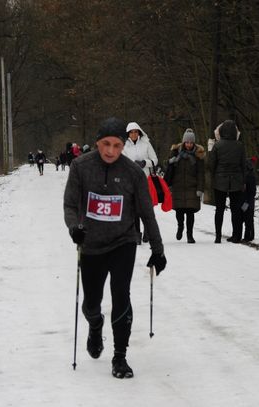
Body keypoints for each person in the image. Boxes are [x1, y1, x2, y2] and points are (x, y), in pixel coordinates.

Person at [63, 117, 167, 379]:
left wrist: (158, 250)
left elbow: (147, 213)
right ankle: (95, 325)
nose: (111, 151)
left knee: (121, 295)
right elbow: (70, 205)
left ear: (123, 146)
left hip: (124, 241)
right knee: (91, 303)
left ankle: (120, 356)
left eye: (117, 145)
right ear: (97, 142)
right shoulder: (80, 167)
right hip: (91, 244)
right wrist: (74, 227)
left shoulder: (132, 173)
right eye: (106, 144)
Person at [209, 120, 246, 243]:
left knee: (219, 209)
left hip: (220, 181)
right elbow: (243, 165)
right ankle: (236, 235)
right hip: (236, 180)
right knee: (236, 209)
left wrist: (213, 178)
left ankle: (218, 236)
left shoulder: (217, 145)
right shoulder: (239, 145)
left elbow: (212, 164)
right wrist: (243, 181)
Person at [122, 122, 158, 243]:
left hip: (145, 180)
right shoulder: (124, 146)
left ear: (139, 132)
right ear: (128, 134)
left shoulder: (146, 144)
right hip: (131, 181)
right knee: (134, 209)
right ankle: (136, 233)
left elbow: (155, 160)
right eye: (131, 132)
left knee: (145, 208)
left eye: (136, 132)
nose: (133, 134)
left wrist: (144, 163)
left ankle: (147, 231)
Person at [167, 129, 205, 243]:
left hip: (192, 187)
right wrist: (170, 161)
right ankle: (180, 227)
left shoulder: (198, 155)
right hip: (178, 186)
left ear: (193, 143)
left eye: (191, 142)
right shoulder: (175, 152)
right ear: (183, 142)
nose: (188, 145)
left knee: (190, 212)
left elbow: (201, 173)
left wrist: (200, 188)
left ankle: (190, 235)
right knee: (179, 211)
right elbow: (168, 167)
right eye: (187, 142)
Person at [242, 156, 257, 242]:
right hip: (248, 200)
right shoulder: (249, 174)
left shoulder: (249, 176)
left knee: (248, 218)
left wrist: (246, 201)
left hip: (248, 200)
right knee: (249, 218)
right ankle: (250, 235)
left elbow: (252, 191)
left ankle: (248, 236)